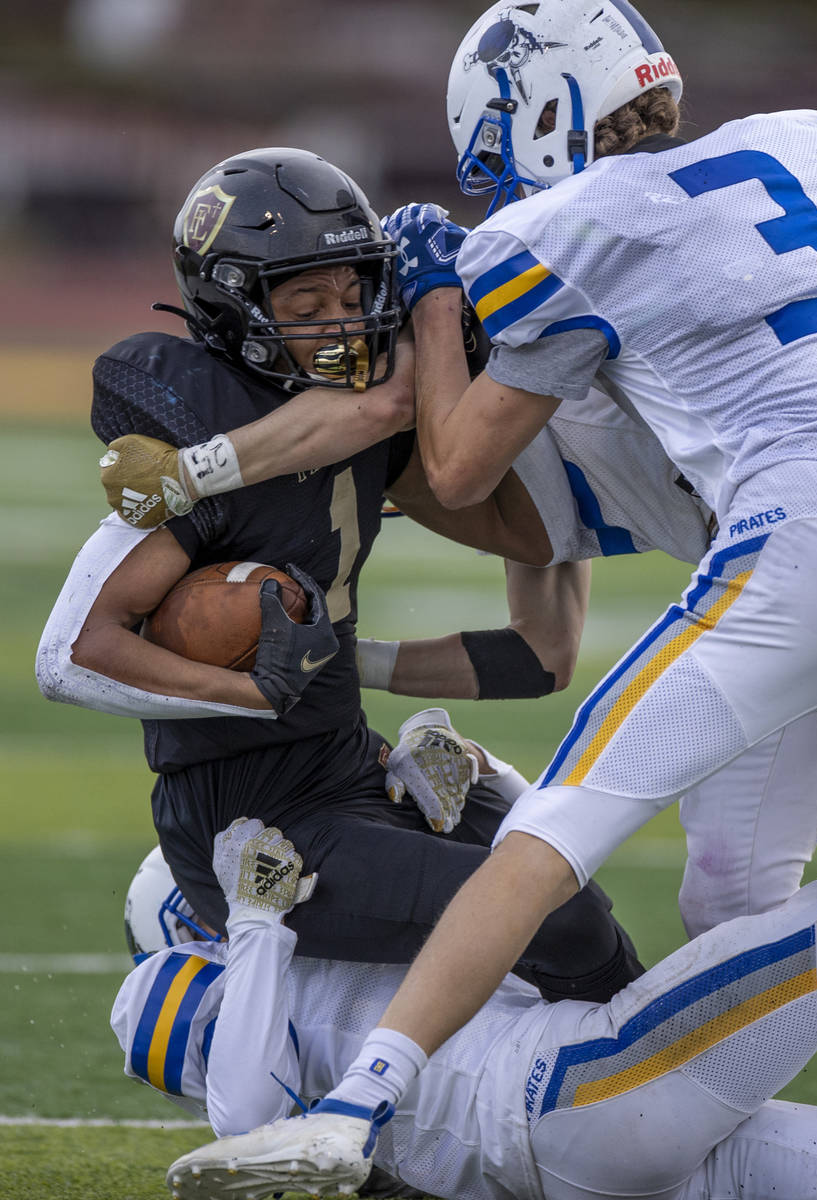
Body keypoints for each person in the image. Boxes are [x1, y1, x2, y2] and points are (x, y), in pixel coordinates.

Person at [195, 0, 817, 1185]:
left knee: (552, 830)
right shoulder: (802, 144)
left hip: (800, 559)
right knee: (765, 893)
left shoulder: (570, 234)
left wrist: (427, 300)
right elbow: (543, 495)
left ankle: (363, 1100)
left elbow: (463, 464)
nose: (502, 194)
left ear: (548, 110)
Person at [35, 144, 645, 1003]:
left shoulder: (373, 435)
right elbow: (70, 656)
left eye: (355, 295)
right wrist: (254, 690)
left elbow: (536, 652)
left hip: (351, 767)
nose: (343, 321)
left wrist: (349, 663)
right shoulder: (201, 433)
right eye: (309, 301)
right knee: (554, 920)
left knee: (574, 893)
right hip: (253, 826)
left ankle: (639, 1091)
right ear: (234, 304)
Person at [117, 820, 817, 1200]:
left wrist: (471, 789)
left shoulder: (345, 936)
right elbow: (239, 1116)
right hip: (577, 1088)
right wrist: (259, 923)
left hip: (572, 1160)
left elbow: (544, 882)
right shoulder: (210, 979)